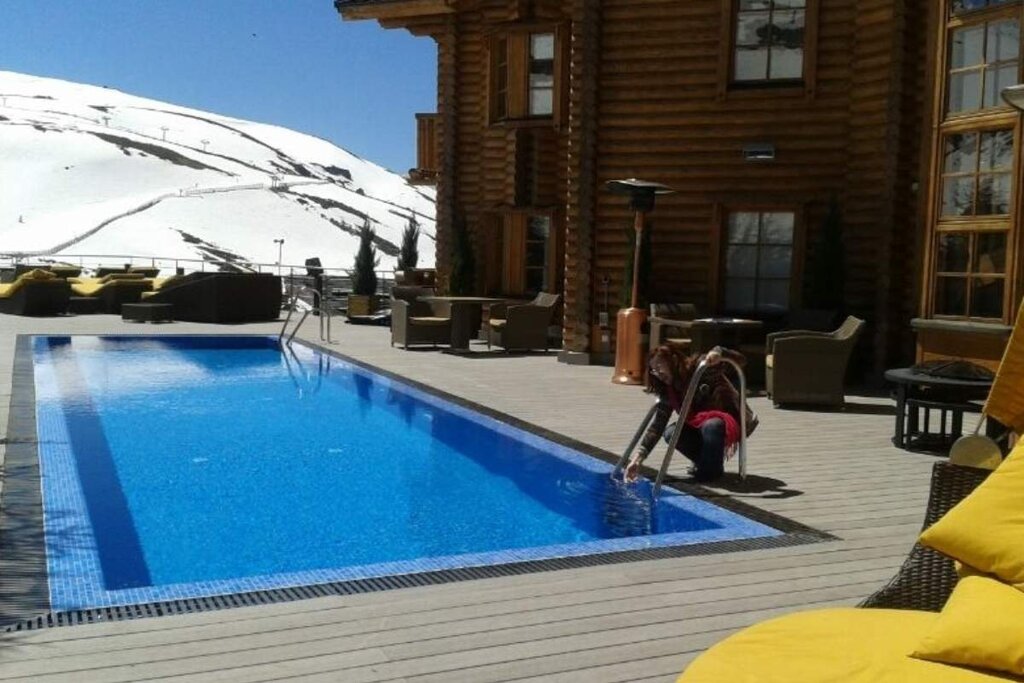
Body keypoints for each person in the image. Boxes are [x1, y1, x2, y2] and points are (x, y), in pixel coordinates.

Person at [623, 344, 754, 484]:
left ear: (672, 361)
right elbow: (657, 426)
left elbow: (741, 361)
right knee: (671, 432)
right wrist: (638, 459)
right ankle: (709, 467)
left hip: (728, 421)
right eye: (654, 370)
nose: (658, 374)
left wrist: (720, 353)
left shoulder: (700, 367)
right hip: (698, 425)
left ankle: (709, 471)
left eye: (660, 367)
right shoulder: (669, 390)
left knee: (712, 425)